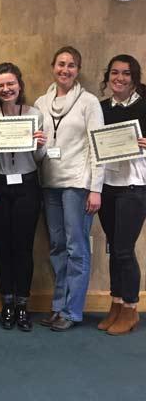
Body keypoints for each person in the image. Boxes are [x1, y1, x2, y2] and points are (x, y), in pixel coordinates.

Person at [34, 46, 104, 331]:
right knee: (57, 247)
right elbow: (38, 152)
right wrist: (37, 146)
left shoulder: (89, 102)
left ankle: (72, 311)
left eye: (71, 65)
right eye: (61, 64)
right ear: (53, 67)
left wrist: (95, 188)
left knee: (77, 248)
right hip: (50, 183)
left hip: (78, 185)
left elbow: (98, 146)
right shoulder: (41, 102)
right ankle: (58, 307)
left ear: (78, 70)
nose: (65, 70)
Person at [0, 63, 46, 331]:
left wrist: (41, 145)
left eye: (10, 84)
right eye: (0, 85)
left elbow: (40, 159)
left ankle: (22, 305)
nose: (6, 89)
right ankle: (7, 303)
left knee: (24, 247)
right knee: (2, 246)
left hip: (27, 184)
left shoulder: (35, 114)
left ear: (20, 85)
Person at [96, 54, 146, 335]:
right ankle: (115, 303)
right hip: (108, 186)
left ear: (134, 77)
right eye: (115, 72)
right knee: (114, 248)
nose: (120, 78)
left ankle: (130, 308)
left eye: (126, 74)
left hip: (135, 186)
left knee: (125, 250)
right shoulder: (102, 108)